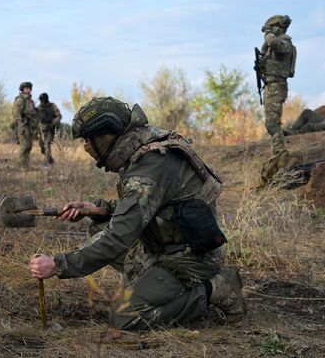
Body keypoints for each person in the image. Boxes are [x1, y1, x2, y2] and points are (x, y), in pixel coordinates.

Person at [29, 97, 246, 330]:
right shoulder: (145, 145)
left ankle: (216, 288)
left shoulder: (149, 166)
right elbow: (148, 205)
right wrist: (99, 208)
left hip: (189, 257)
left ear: (106, 137)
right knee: (99, 226)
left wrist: (58, 265)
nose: (86, 147)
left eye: (87, 140)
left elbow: (119, 236)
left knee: (124, 317)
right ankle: (151, 281)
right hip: (169, 244)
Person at [260, 15, 296, 155]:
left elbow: (276, 45)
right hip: (271, 85)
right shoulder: (272, 45)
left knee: (273, 123)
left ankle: (280, 154)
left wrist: (268, 33)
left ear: (278, 27)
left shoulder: (284, 42)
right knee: (271, 123)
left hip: (277, 86)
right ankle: (278, 153)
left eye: (271, 28)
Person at [12, 82, 38, 168]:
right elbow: (16, 113)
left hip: (30, 126)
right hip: (23, 125)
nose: (28, 89)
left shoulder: (30, 101)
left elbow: (34, 113)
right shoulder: (20, 100)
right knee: (24, 146)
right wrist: (21, 122)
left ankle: (26, 165)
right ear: (22, 89)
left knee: (29, 146)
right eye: (26, 88)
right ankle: (20, 165)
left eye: (29, 88)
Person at [37, 93, 62, 165]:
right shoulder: (39, 108)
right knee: (42, 146)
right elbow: (36, 118)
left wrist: (52, 122)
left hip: (50, 129)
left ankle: (49, 162)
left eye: (43, 100)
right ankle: (49, 159)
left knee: (47, 144)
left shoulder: (52, 106)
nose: (41, 101)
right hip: (42, 129)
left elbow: (59, 116)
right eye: (40, 100)